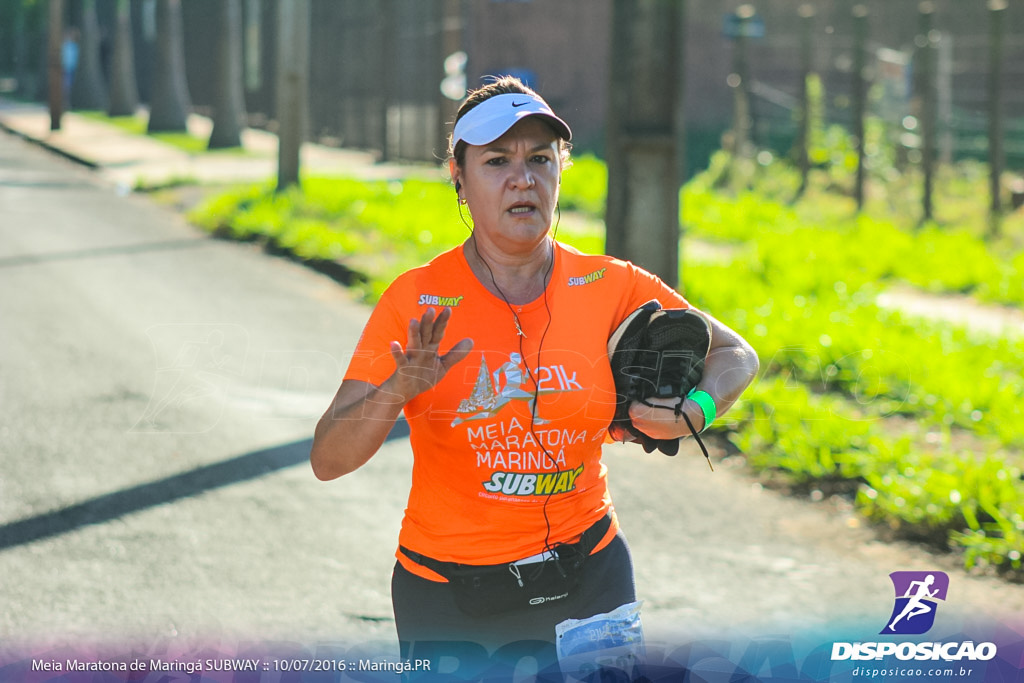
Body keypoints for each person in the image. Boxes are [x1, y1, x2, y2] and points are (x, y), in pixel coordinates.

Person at [310, 76, 759, 670]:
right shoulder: (416, 300)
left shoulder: (610, 284)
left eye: (540, 159)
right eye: (497, 160)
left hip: (590, 576)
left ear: (559, 172)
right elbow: (328, 459)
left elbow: (735, 356)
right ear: (459, 178)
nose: (523, 178)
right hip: (449, 593)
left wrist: (694, 412)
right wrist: (396, 389)